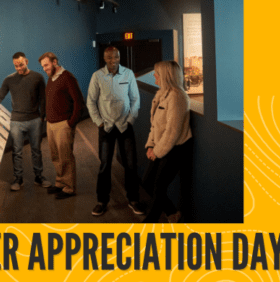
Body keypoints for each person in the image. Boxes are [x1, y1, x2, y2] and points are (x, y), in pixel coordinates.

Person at [87, 46, 143, 216]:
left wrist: (130, 120)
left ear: (120, 57)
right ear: (105, 59)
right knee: (104, 165)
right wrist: (98, 123)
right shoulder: (97, 76)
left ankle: (133, 200)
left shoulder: (128, 74)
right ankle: (102, 201)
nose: (113, 61)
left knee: (131, 165)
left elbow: (135, 99)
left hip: (125, 126)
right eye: (109, 58)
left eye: (116, 57)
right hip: (106, 127)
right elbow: (91, 101)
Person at [0, 52, 50, 191]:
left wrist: (43, 116)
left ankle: (38, 176)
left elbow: (43, 98)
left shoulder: (38, 77)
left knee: (36, 150)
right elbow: (0, 95)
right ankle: (18, 178)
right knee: (17, 151)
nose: (18, 68)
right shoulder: (9, 80)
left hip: (35, 120)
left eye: (21, 65)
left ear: (26, 61)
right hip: (16, 121)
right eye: (16, 66)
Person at [143, 61, 193, 223]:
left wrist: (156, 152)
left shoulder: (178, 97)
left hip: (176, 150)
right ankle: (172, 213)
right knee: (148, 182)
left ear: (166, 76)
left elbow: (172, 131)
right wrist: (151, 145)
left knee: (158, 187)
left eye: (156, 73)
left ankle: (149, 222)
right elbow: (156, 125)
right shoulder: (162, 94)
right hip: (161, 147)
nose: (154, 76)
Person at [39, 52, 84, 199]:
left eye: (46, 65)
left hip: (63, 125)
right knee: (55, 156)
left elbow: (79, 102)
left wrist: (71, 123)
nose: (44, 69)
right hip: (50, 124)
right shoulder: (51, 78)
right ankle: (60, 182)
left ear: (55, 62)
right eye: (43, 66)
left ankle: (69, 188)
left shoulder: (67, 77)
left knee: (65, 157)